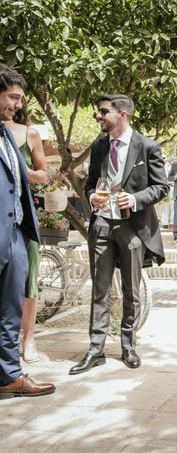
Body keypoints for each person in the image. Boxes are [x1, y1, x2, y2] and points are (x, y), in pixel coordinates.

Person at [69, 94, 169, 375]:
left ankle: (128, 346)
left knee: (131, 290)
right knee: (99, 289)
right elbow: (89, 184)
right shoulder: (99, 146)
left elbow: (162, 187)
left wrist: (135, 199)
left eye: (103, 112)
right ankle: (95, 349)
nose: (98, 117)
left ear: (122, 114)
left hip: (133, 227)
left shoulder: (147, 146)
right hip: (101, 223)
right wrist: (92, 199)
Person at [0, 63, 55, 399]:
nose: (18, 105)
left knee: (11, 308)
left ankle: (9, 374)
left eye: (19, 99)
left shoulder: (9, 132)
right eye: (12, 97)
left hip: (17, 231)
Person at [5, 104, 48, 363]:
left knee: (29, 277)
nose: (16, 104)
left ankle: (29, 340)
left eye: (19, 98)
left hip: (23, 217)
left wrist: (22, 170)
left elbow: (43, 174)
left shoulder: (30, 133)